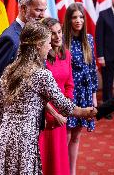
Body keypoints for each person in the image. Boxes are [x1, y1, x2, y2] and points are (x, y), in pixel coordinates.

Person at [0, 21, 97, 175]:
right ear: (38, 45)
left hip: (2, 141)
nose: (50, 47)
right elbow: (64, 106)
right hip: (24, 145)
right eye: (47, 43)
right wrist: (86, 112)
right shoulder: (42, 75)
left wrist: (6, 133)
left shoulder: (8, 71)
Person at [63, 3, 98, 175]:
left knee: (76, 135)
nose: (78, 20)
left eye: (81, 17)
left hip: (84, 93)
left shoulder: (89, 39)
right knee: (66, 135)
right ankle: (60, 169)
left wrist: (94, 97)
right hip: (69, 93)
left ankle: (72, 171)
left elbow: (92, 69)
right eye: (74, 17)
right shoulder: (62, 40)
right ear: (69, 20)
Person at [0, 0, 47, 95]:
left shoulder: (36, 34)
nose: (43, 15)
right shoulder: (10, 39)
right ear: (23, 8)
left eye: (44, 10)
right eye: (38, 10)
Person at [38, 18, 73, 175]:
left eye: (59, 32)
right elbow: (39, 92)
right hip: (44, 116)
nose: (58, 36)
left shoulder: (66, 54)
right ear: (46, 36)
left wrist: (66, 108)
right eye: (53, 33)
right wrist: (54, 113)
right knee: (44, 160)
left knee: (58, 162)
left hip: (61, 116)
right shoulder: (41, 58)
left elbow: (69, 84)